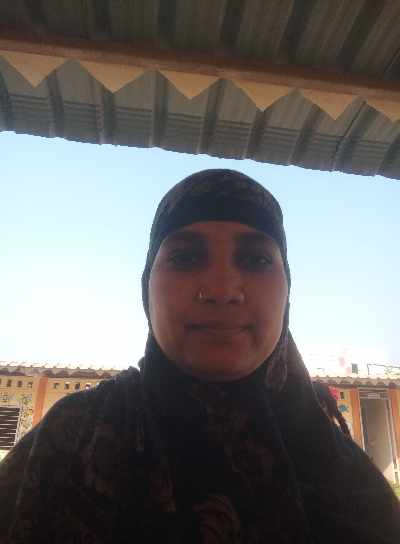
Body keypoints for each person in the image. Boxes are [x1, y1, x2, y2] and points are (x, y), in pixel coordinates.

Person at [0, 169, 399, 543]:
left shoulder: (344, 477)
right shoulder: (66, 443)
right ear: (146, 287)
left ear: (287, 291)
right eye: (186, 257)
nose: (222, 289)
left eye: (256, 259)